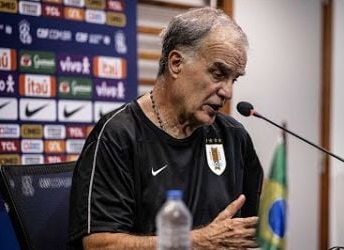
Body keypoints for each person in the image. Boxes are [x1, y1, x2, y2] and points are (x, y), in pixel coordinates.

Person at [68, 7, 263, 249]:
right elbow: (99, 245)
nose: (228, 91)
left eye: (233, 79)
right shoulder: (118, 136)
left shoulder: (234, 136)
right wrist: (195, 242)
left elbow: (253, 233)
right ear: (176, 63)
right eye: (218, 73)